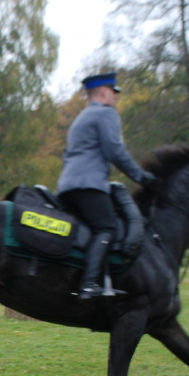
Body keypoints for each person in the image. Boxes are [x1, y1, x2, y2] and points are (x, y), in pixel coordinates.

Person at [56, 72, 155, 300]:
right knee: (107, 227)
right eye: (113, 92)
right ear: (103, 92)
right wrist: (140, 177)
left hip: (67, 186)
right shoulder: (106, 114)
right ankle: (89, 284)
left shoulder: (81, 118)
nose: (115, 97)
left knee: (87, 230)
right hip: (88, 185)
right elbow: (114, 151)